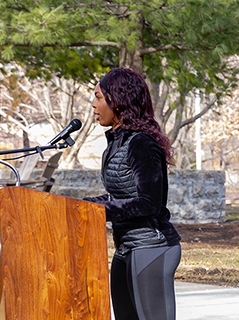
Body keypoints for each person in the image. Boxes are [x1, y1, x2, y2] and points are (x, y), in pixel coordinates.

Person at [84, 68, 181, 320]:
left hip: (152, 247)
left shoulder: (142, 143)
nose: (94, 105)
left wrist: (96, 211)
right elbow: (117, 197)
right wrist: (80, 207)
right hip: (126, 247)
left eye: (98, 97)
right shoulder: (116, 144)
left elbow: (148, 203)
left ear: (118, 100)